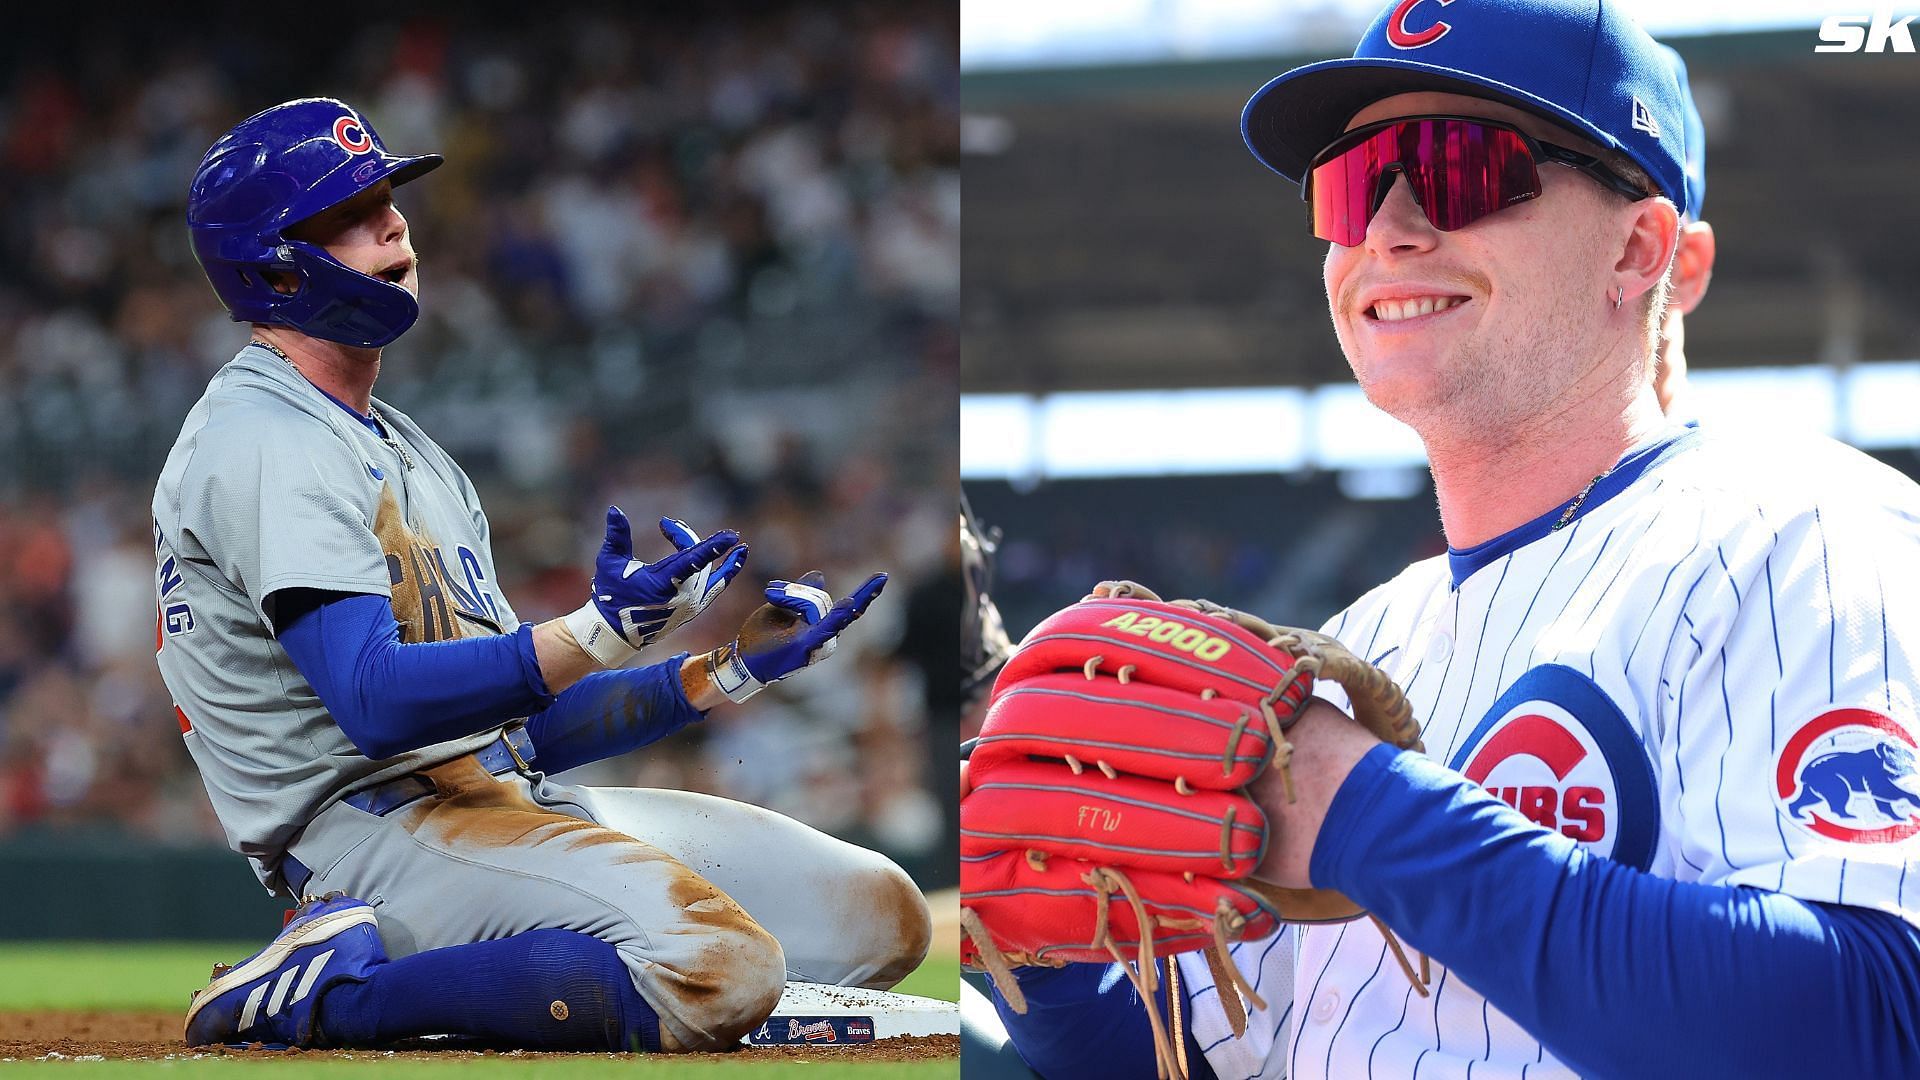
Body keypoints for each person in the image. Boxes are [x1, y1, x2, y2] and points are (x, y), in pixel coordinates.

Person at [974, 3, 1920, 1077]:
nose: (1389, 227)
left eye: (1459, 166)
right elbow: (1187, 1056)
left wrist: (1363, 811)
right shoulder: (1354, 641)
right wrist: (1043, 941)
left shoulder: (1814, 539)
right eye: (1352, 182)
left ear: (1642, 246)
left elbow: (1880, 1021)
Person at [155, 98, 927, 1053]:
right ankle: (317, 996)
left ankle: (527, 969)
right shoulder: (265, 439)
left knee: (885, 920)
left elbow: (518, 729)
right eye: (350, 213)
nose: (393, 223)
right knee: (726, 972)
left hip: (493, 802)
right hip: (375, 839)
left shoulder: (410, 452)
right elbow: (375, 706)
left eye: (387, 199)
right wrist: (596, 631)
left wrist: (722, 667)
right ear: (273, 262)